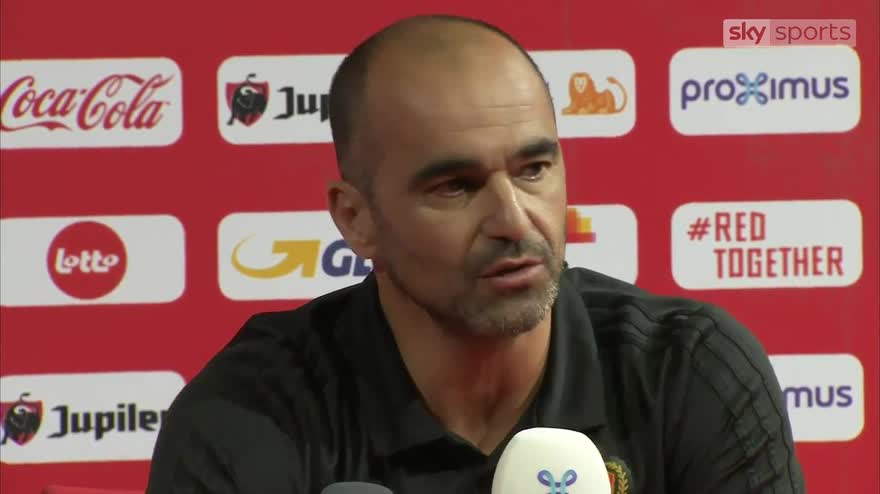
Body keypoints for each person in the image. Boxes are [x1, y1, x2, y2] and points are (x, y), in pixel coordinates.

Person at [146, 14, 805, 494]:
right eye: (455, 186)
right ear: (357, 219)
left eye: (533, 169)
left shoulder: (686, 370)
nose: (514, 220)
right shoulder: (254, 409)